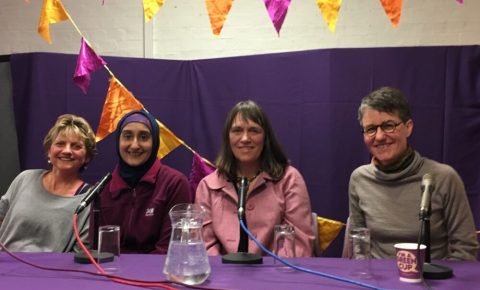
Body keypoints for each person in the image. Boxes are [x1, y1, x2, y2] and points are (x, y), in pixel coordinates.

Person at [348, 86, 478, 260]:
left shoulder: (444, 178)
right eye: (371, 129)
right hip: (376, 283)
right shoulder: (359, 179)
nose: (379, 137)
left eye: (388, 126)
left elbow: (466, 250)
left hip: (431, 282)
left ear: (408, 127)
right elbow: (359, 247)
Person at [195, 100, 314, 257]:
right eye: (237, 131)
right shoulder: (208, 186)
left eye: (254, 131)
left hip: (276, 276)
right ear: (227, 138)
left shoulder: (289, 179)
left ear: (266, 138)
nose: (245, 138)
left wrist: (270, 277)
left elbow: (298, 244)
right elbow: (204, 245)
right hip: (223, 277)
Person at [96, 109, 191, 254]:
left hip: (158, 273)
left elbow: (169, 249)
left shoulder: (174, 183)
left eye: (144, 137)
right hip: (111, 272)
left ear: (155, 142)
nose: (134, 145)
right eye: (127, 136)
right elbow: (98, 250)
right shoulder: (102, 189)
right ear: (118, 141)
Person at [0, 114, 96, 252]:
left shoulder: (89, 199)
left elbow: (79, 255)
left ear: (87, 157)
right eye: (60, 143)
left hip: (49, 272)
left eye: (76, 146)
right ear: (49, 151)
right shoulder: (25, 179)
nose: (67, 150)